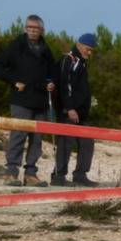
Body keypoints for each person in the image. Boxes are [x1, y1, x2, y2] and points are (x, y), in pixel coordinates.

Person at [0, 14, 56, 186]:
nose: (32, 31)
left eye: (36, 28)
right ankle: (11, 173)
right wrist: (13, 81)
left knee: (37, 139)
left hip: (40, 101)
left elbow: (52, 73)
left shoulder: (46, 50)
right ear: (25, 29)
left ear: (42, 30)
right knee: (18, 136)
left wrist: (51, 83)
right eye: (29, 27)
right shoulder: (16, 46)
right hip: (21, 100)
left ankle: (31, 175)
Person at [50, 33, 98, 187]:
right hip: (68, 112)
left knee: (87, 142)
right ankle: (58, 177)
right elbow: (64, 85)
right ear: (78, 45)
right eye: (87, 49)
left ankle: (80, 175)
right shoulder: (68, 60)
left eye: (91, 50)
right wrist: (69, 108)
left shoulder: (81, 63)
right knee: (65, 143)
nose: (89, 52)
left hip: (81, 114)